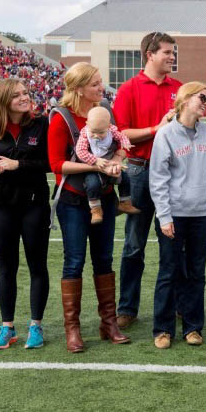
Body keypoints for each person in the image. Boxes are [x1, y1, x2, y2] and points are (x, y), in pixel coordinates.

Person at [47, 62, 130, 353]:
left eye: (100, 82)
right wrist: (96, 164)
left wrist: (117, 161)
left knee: (104, 259)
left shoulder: (104, 110)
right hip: (72, 199)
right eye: (95, 83)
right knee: (74, 261)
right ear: (79, 88)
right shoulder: (61, 117)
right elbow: (56, 164)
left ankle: (109, 322)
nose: (101, 87)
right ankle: (73, 328)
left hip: (105, 195)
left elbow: (118, 143)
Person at [113, 32, 182, 328]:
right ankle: (127, 307)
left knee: (173, 243)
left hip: (174, 173)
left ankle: (175, 304)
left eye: (173, 52)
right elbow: (122, 134)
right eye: (166, 52)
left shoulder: (179, 88)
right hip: (140, 171)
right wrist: (157, 129)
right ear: (149, 54)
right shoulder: (128, 89)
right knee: (133, 244)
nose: (171, 56)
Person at [0, 78, 51, 350]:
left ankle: (36, 325)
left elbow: (48, 163)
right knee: (6, 268)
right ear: (4, 100)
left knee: (37, 266)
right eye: (17, 95)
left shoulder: (41, 124)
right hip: (2, 205)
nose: (24, 97)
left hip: (34, 204)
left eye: (26, 93)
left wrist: (16, 164)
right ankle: (7, 327)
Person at [148, 82, 206, 348]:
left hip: (202, 213)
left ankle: (193, 327)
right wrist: (164, 216)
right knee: (168, 271)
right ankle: (163, 329)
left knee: (196, 273)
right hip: (175, 214)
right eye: (202, 97)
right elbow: (158, 178)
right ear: (185, 98)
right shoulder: (166, 134)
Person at [74, 106, 139, 224]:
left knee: (125, 178)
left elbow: (121, 136)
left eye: (101, 133)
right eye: (94, 132)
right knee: (92, 184)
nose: (96, 136)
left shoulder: (112, 130)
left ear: (108, 126)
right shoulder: (85, 134)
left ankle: (125, 202)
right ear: (87, 123)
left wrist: (125, 144)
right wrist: (95, 161)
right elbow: (80, 151)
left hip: (110, 162)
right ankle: (95, 209)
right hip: (93, 167)